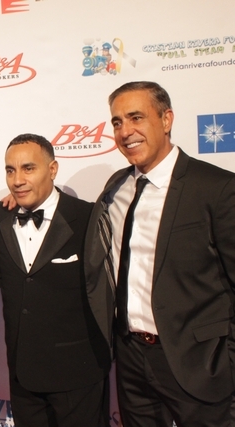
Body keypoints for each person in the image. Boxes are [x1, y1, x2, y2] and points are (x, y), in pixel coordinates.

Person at [85, 81, 235, 426]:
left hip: (201, 364)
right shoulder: (115, 188)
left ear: (166, 120)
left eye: (136, 117)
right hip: (131, 360)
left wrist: (226, 361)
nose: (125, 131)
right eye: (117, 122)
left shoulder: (216, 188)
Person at [0, 134, 110, 427]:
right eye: (10, 170)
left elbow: (107, 289)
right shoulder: (0, 215)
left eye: (28, 168)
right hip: (23, 375)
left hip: (77, 374)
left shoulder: (87, 216)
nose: (17, 180)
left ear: (53, 169)